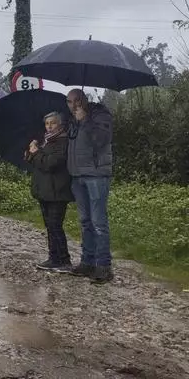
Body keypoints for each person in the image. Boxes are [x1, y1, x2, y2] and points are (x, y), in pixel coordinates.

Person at [66, 89, 114, 284]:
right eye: (69, 101)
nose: (73, 105)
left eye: (77, 100)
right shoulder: (72, 119)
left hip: (96, 175)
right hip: (77, 176)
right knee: (85, 221)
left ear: (84, 100)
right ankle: (87, 262)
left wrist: (85, 120)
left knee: (98, 222)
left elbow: (101, 140)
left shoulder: (100, 114)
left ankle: (104, 266)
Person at [26, 111, 74, 273]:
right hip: (45, 190)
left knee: (55, 225)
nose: (49, 126)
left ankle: (64, 260)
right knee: (49, 226)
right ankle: (54, 257)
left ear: (60, 124)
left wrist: (36, 153)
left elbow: (50, 164)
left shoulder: (63, 141)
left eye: (53, 123)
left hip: (57, 191)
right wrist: (31, 151)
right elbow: (38, 162)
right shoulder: (46, 141)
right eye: (47, 123)